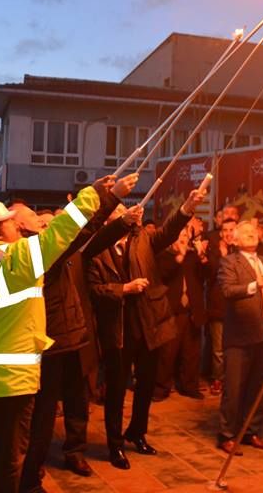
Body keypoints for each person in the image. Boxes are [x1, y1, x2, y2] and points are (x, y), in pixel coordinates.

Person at [0, 175, 124, 492]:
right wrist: (93, 194)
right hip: (11, 382)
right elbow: (61, 233)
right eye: (9, 222)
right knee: (7, 459)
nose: (16, 225)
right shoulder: (16, 259)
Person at [15, 175, 140, 492]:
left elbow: (93, 237)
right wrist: (105, 196)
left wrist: (122, 219)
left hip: (75, 336)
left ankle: (68, 454)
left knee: (76, 400)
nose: (47, 226)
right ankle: (29, 473)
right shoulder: (36, 253)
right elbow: (81, 231)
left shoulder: (59, 250)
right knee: (40, 416)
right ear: (23, 229)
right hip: (50, 341)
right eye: (40, 222)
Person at [87, 187, 205, 471]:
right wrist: (123, 289)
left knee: (146, 385)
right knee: (116, 389)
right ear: (107, 222)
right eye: (117, 214)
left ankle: (137, 433)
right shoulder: (95, 250)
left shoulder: (143, 239)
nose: (126, 216)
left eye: (125, 212)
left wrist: (187, 205)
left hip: (149, 323)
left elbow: (169, 231)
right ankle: (114, 445)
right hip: (119, 328)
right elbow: (94, 289)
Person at [216, 221, 263, 453]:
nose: (251, 234)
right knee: (234, 388)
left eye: (253, 231)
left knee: (259, 387)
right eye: (245, 233)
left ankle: (251, 431)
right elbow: (227, 291)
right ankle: (227, 435)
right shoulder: (229, 262)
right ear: (234, 241)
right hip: (239, 334)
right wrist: (253, 285)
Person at [154, 224, 208, 401]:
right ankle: (162, 388)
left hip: (192, 311)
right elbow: (162, 275)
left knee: (191, 352)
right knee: (167, 354)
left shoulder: (194, 257)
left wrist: (202, 257)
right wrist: (180, 256)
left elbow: (208, 275)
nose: (183, 238)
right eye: (179, 235)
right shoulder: (163, 255)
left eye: (185, 234)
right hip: (171, 311)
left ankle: (189, 386)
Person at [205, 217, 237, 396]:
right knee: (218, 348)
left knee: (234, 347)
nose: (228, 234)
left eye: (232, 230)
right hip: (218, 306)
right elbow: (209, 276)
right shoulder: (214, 251)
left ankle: (233, 380)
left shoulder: (242, 249)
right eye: (225, 230)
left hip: (238, 308)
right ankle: (218, 379)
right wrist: (221, 257)